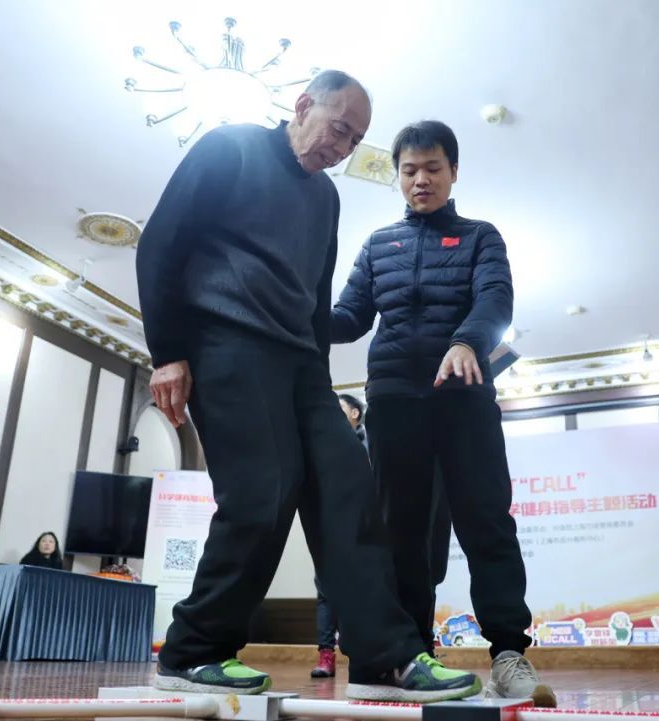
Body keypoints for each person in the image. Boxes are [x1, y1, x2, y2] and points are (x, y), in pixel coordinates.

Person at [136, 72, 479, 702]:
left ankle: (385, 659)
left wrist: (317, 374)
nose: (342, 148)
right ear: (302, 106)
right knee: (261, 494)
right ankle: (193, 651)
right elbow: (160, 244)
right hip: (227, 344)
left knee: (351, 492)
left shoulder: (326, 197)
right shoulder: (230, 147)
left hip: (301, 366)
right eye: (339, 129)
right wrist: (167, 354)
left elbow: (317, 298)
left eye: (355, 141)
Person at [330, 120, 554, 706]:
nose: (421, 180)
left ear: (454, 171)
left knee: (487, 523)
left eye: (432, 168)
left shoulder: (480, 236)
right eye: (409, 171)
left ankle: (508, 654)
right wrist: (295, 316)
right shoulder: (378, 244)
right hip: (394, 401)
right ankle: (412, 655)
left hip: (464, 398)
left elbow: (495, 299)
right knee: (401, 532)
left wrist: (465, 342)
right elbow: (350, 316)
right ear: (397, 177)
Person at [310, 393, 366, 679]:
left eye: (340, 408)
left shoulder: (369, 444)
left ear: (355, 413)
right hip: (327, 526)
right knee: (325, 594)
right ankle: (326, 656)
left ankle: (364, 657)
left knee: (363, 589)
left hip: (362, 529)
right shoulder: (323, 444)